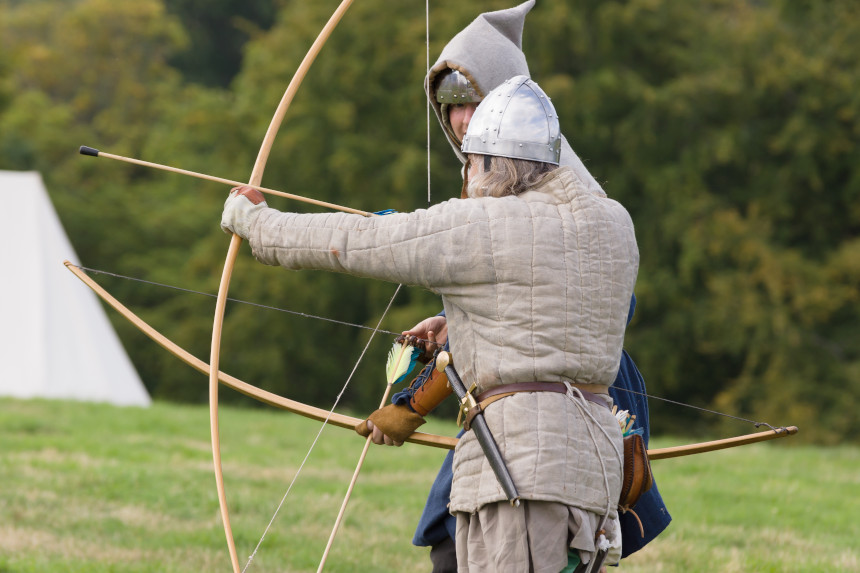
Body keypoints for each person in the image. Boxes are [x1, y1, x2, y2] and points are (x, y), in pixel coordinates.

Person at [222, 75, 637, 572]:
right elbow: (543, 309)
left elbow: (361, 239)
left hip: (521, 473)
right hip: (595, 474)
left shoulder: (487, 224)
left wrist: (258, 224)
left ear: (494, 163)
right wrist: (454, 319)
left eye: (475, 161)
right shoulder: (615, 225)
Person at [374, 2, 671, 570]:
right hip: (504, 393)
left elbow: (611, 303)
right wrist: (451, 321)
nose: (461, 122)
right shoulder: (481, 173)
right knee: (451, 539)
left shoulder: (555, 175)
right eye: (451, 107)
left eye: (473, 105)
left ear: (506, 104)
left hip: (566, 392)